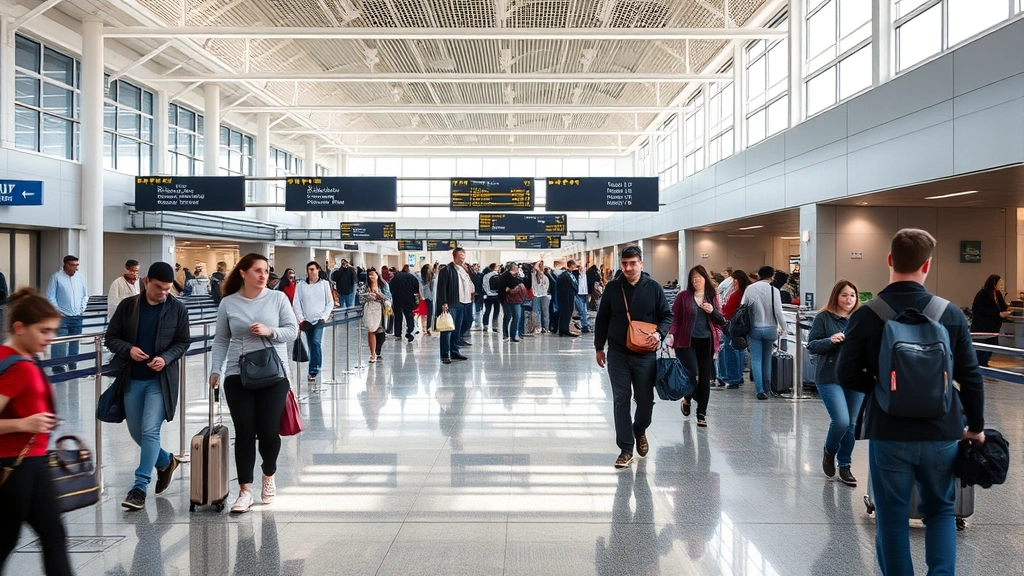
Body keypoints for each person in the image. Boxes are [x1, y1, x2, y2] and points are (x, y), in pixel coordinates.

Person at [836, 228, 985, 575]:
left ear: (889, 260)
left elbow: (846, 374)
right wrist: (975, 427)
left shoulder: (867, 314)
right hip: (941, 432)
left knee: (891, 518)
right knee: (940, 512)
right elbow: (972, 376)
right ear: (927, 266)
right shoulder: (949, 314)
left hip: (889, 431)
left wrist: (878, 388)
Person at [208, 253, 298, 514]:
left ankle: (268, 475)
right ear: (243, 273)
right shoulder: (229, 303)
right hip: (238, 374)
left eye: (266, 271)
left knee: (269, 430)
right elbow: (221, 340)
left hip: (274, 373)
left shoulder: (278, 298)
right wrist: (216, 369)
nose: (263, 275)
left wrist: (270, 331)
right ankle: (245, 490)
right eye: (257, 271)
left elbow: (292, 331)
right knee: (245, 431)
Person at [105, 262, 191, 510]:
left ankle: (139, 487)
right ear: (146, 281)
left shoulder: (177, 309)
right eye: (159, 288)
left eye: (167, 289)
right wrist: (128, 349)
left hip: (160, 381)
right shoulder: (128, 306)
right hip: (132, 378)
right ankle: (166, 461)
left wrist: (166, 358)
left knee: (150, 430)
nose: (164, 293)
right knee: (136, 432)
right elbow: (111, 337)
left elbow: (183, 341)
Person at [0, 288, 72, 575]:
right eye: (44, 330)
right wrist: (24, 424)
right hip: (15, 467)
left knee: (53, 536)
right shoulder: (19, 368)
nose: (50, 338)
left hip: (32, 463)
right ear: (20, 328)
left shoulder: (23, 360)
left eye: (53, 330)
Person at [594, 246, 672, 468]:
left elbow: (667, 315)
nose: (628, 268)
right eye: (624, 263)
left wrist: (659, 333)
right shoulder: (613, 288)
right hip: (618, 352)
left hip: (645, 354)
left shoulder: (653, 288)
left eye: (632, 263)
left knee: (645, 400)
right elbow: (602, 319)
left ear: (641, 264)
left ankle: (639, 428)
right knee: (621, 400)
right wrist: (599, 347)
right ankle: (626, 449)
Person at [806, 280, 863, 486]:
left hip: (856, 377)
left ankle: (845, 465)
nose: (849, 299)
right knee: (841, 421)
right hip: (830, 376)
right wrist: (830, 340)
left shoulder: (860, 319)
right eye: (844, 295)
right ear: (836, 296)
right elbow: (811, 345)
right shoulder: (824, 317)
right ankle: (830, 450)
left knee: (852, 424)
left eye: (852, 295)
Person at [667, 265, 726, 428]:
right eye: (693, 277)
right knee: (691, 372)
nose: (696, 280)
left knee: (705, 377)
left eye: (699, 277)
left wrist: (712, 310)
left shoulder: (712, 296)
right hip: (686, 341)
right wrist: (671, 333)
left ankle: (701, 413)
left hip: (706, 341)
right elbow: (674, 317)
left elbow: (720, 319)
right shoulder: (683, 297)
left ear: (705, 279)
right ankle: (688, 396)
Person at [739, 265, 788, 400]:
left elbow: (743, 306)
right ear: (772, 276)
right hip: (771, 329)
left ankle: (759, 390)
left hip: (754, 328)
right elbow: (778, 312)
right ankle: (767, 388)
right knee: (767, 359)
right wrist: (784, 328)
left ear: (759, 275)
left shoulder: (750, 289)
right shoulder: (774, 291)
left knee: (756, 359)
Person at [45, 255, 88, 374]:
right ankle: (58, 365)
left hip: (77, 315)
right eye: (72, 265)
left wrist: (82, 308)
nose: (75, 268)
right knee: (60, 339)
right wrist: (57, 310)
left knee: (75, 339)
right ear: (66, 265)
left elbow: (85, 294)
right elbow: (50, 295)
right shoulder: (56, 277)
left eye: (76, 265)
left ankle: (72, 362)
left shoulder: (80, 277)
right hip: (61, 316)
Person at [293, 262, 334, 382]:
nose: (310, 272)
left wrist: (324, 316)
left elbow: (329, 302)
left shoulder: (324, 284)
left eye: (312, 269)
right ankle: (315, 366)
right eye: (308, 270)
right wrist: (301, 319)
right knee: (311, 345)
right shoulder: (301, 285)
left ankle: (314, 369)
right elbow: (296, 302)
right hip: (306, 320)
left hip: (319, 320)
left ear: (318, 270)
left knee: (316, 342)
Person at [435, 248, 472, 365]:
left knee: (457, 329)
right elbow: (441, 289)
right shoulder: (446, 270)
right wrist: (444, 303)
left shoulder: (463, 270)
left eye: (464, 255)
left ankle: (454, 351)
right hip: (451, 303)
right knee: (447, 328)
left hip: (463, 302)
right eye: (460, 255)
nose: (463, 257)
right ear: (454, 256)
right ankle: (445, 354)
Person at [719, 269, 751, 389]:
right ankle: (738, 375)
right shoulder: (746, 292)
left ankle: (733, 378)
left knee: (729, 349)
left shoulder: (736, 294)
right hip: (742, 326)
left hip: (731, 325)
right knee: (739, 349)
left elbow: (728, 310)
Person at [970, 274, 1010, 367]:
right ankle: (981, 365)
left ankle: (984, 364)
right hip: (982, 326)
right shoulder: (983, 293)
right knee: (983, 348)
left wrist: (1004, 312)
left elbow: (1002, 307)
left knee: (993, 345)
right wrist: (997, 313)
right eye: (999, 282)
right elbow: (978, 309)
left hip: (993, 327)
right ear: (994, 283)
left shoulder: (997, 293)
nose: (1001, 284)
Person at [360, 268, 390, 363]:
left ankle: (377, 349)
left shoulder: (383, 285)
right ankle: (373, 353)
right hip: (370, 309)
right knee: (371, 330)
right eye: (370, 275)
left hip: (380, 309)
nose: (371, 276)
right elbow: (360, 297)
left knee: (380, 331)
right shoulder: (365, 285)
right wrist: (366, 297)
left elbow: (389, 297)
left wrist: (380, 296)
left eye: (373, 274)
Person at [389, 264, 420, 343]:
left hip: (397, 299)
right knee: (409, 316)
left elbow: (391, 287)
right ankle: (409, 332)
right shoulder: (411, 277)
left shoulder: (395, 278)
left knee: (398, 317)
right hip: (409, 299)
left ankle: (398, 334)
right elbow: (416, 287)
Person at [498, 263, 525, 343]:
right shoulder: (506, 276)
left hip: (513, 299)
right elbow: (506, 287)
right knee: (512, 316)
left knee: (513, 316)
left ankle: (510, 335)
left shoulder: (516, 276)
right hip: (509, 299)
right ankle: (507, 335)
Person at [556, 260, 581, 337]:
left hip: (570, 296)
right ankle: (564, 329)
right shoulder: (564, 276)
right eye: (573, 266)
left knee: (568, 312)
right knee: (565, 313)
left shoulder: (570, 275)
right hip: (565, 297)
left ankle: (565, 329)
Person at [532, 261, 551, 335]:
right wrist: (540, 260)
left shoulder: (545, 276)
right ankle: (538, 327)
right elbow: (535, 267)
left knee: (544, 312)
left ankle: (545, 327)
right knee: (537, 312)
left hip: (543, 295)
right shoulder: (533, 276)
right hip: (536, 295)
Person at [481, 263, 500, 332]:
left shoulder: (486, 276)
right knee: (496, 311)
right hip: (497, 295)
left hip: (488, 296)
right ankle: (495, 326)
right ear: (495, 267)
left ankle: (485, 325)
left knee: (487, 310)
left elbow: (484, 285)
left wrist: (487, 293)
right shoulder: (498, 275)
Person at [419, 264, 436, 336]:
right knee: (425, 314)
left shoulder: (432, 277)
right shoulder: (423, 279)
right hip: (426, 298)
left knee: (429, 313)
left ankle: (427, 328)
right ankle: (425, 328)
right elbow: (420, 288)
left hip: (430, 297)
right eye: (430, 268)